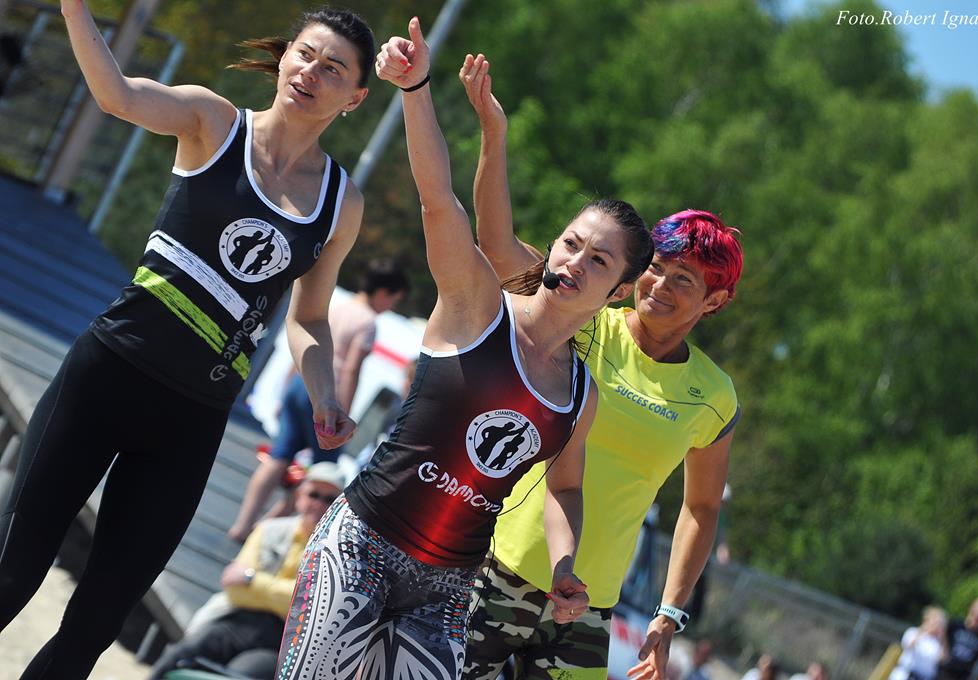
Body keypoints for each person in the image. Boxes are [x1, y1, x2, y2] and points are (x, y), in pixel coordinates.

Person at [0, 4, 375, 678]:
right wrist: (75, 6)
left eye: (333, 69)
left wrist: (325, 395)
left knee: (97, 623)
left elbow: (308, 319)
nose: (311, 73)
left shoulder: (341, 202)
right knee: (12, 572)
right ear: (284, 57)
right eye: (306, 54)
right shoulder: (213, 121)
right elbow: (116, 96)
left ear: (356, 97)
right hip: (108, 374)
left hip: (192, 420)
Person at [274, 19, 655, 680]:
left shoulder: (579, 394)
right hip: (363, 543)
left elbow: (565, 488)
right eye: (571, 244)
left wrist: (565, 565)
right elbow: (438, 200)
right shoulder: (479, 303)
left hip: (448, 587)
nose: (575, 262)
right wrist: (416, 88)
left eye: (599, 261)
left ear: (619, 292)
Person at [456, 54, 742, 680]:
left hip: (587, 606)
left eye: (685, 280)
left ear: (715, 302)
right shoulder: (583, 316)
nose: (661, 286)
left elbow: (701, 509)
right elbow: (497, 245)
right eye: (657, 268)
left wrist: (669, 615)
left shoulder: (713, 396)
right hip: (495, 565)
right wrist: (493, 134)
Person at [229, 258, 409, 541]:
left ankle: (243, 523)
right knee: (323, 474)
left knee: (280, 455)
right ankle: (264, 530)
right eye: (394, 301)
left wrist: (287, 386)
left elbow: (306, 343)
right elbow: (350, 370)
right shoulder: (367, 323)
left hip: (301, 382)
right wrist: (344, 411)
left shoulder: (338, 307)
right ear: (384, 293)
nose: (391, 307)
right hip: (327, 394)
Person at [147, 463, 347, 680]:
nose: (319, 504)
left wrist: (251, 579)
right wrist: (286, 595)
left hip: (283, 641)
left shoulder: (340, 552)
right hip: (237, 621)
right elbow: (235, 590)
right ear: (299, 495)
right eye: (314, 494)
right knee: (180, 655)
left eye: (329, 499)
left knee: (240, 675)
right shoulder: (269, 529)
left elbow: (312, 607)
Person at [940, 598, 978, 680]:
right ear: (971, 609)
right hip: (944, 670)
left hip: (963, 675)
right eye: (977, 612)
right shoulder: (955, 625)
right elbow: (942, 635)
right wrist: (944, 651)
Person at [889, 606, 946, 680]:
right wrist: (925, 629)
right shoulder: (913, 632)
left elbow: (942, 659)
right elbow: (908, 645)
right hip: (905, 675)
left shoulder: (937, 643)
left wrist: (943, 637)